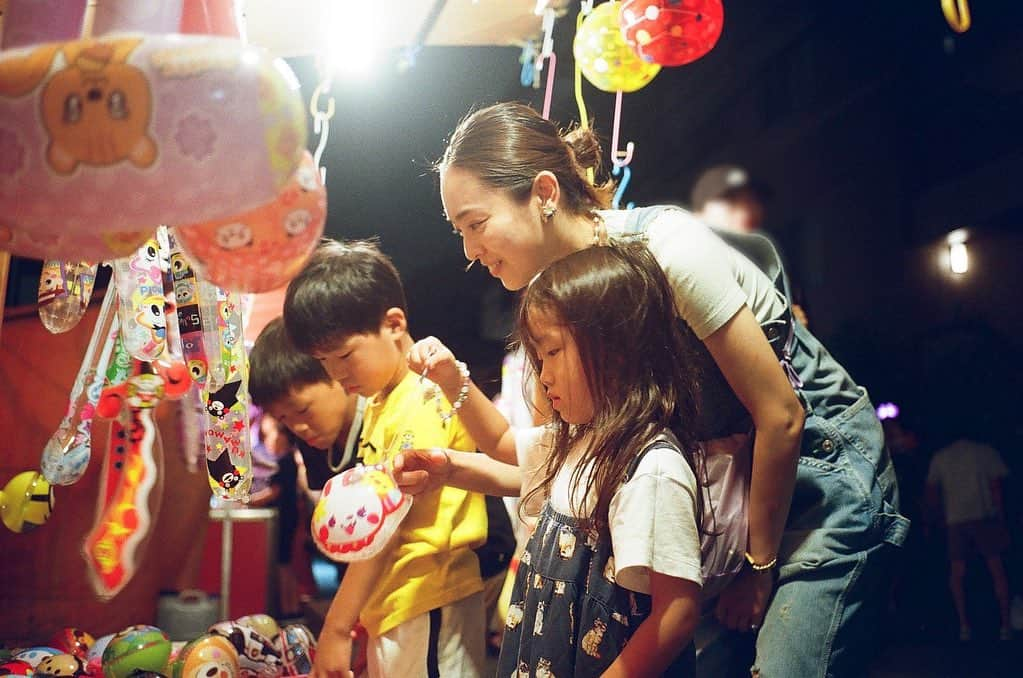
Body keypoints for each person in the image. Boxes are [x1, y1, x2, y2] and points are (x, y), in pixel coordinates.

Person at [434, 102, 909, 677]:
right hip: (723, 502)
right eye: (458, 231)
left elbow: (782, 416)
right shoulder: (561, 296)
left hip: (816, 474)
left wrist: (757, 572)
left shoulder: (665, 251)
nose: (467, 251)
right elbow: (549, 453)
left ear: (542, 192)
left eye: (475, 223)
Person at [400, 242, 707, 675]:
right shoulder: (582, 439)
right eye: (538, 357)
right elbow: (505, 446)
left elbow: (676, 614)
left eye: (553, 352)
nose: (543, 376)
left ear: (615, 350)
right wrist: (447, 466)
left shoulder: (650, 468)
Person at [282, 239, 489, 678]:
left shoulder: (423, 396)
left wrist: (337, 628)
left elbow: (386, 528)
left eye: (344, 355)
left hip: (427, 594)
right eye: (323, 361)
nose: (336, 373)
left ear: (394, 323)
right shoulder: (384, 401)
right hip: (400, 602)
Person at [248, 317, 367, 600]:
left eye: (302, 411)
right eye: (283, 419)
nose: (298, 427)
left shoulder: (383, 421)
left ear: (337, 372)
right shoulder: (310, 439)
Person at [690, 163, 809, 328]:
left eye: (753, 201)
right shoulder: (692, 257)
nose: (751, 210)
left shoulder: (763, 256)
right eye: (733, 201)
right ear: (702, 211)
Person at [925, 437, 1013, 641]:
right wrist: (1002, 518)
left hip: (956, 519)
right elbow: (996, 488)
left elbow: (932, 490)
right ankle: (1005, 624)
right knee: (996, 570)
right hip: (984, 516)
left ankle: (964, 625)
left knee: (958, 573)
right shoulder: (985, 451)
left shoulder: (942, 456)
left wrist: (934, 520)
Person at [246, 410, 303, 618]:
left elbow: (274, 491)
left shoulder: (285, 461)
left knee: (283, 563)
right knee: (284, 562)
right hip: (285, 514)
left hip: (284, 516)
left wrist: (248, 501)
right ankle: (290, 606)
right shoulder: (282, 459)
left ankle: (290, 608)